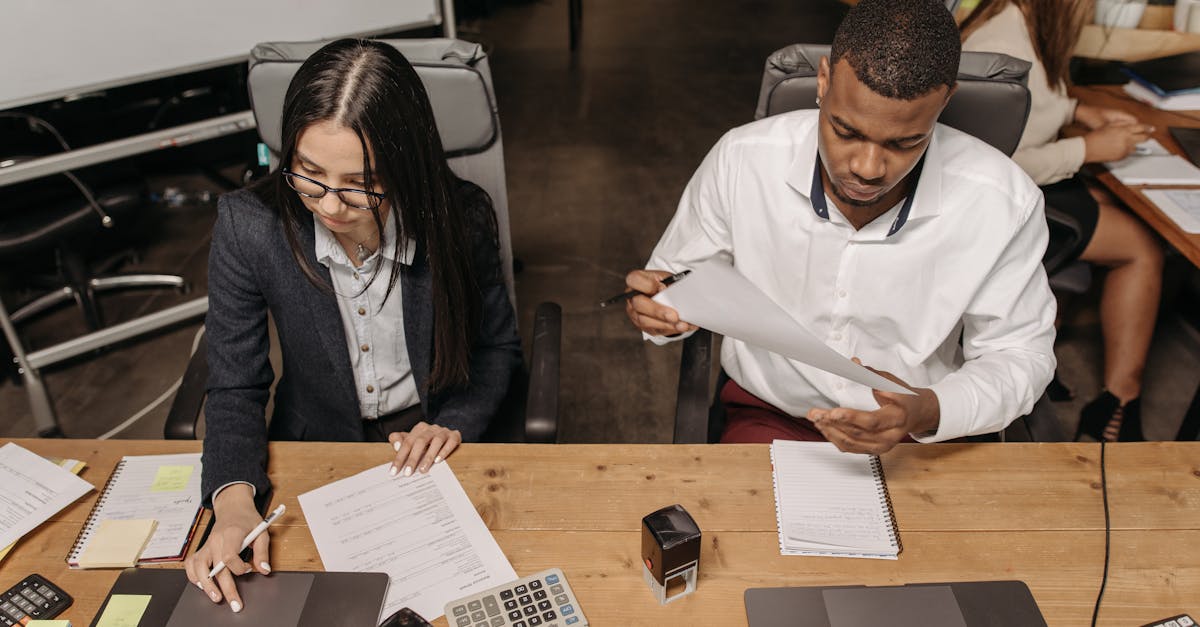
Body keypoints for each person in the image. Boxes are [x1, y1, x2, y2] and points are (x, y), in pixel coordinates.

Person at [625, 0, 1056, 453]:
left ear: (944, 102)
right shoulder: (742, 160)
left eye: (905, 142)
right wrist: (663, 309)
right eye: (846, 131)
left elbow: (1020, 354)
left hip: (919, 434)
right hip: (771, 417)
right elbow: (676, 284)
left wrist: (926, 410)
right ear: (824, 80)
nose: (868, 169)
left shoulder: (1003, 201)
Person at [183, 39, 521, 612]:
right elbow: (236, 384)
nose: (331, 207)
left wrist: (455, 422)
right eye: (309, 175)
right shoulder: (250, 226)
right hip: (314, 443)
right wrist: (235, 500)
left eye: (360, 184)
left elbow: (496, 347)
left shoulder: (459, 217)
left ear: (404, 168)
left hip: (431, 440)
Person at [961, 0, 1163, 442]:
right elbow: (990, 163)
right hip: (998, 207)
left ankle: (1047, 358)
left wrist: (1077, 113)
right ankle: (1118, 405)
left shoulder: (1021, 22)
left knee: (1112, 206)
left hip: (1024, 191)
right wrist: (1089, 150)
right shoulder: (1003, 37)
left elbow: (1025, 105)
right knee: (1140, 247)